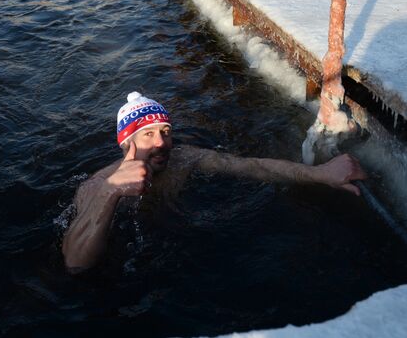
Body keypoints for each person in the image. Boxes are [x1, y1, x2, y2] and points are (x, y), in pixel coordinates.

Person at [62, 92, 367, 273]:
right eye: (148, 135)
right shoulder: (96, 185)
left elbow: (253, 167)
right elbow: (75, 264)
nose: (162, 143)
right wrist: (111, 192)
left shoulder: (185, 159)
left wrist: (320, 174)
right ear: (125, 142)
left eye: (166, 131)